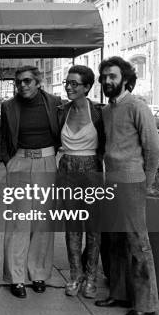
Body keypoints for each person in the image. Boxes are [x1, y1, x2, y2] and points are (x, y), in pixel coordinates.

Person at [94, 56, 159, 315]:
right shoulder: (108, 110)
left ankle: (146, 303)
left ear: (125, 78)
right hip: (112, 182)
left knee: (137, 244)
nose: (107, 81)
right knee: (114, 242)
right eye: (104, 77)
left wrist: (147, 183)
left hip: (133, 183)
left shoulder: (137, 106)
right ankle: (119, 294)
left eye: (112, 76)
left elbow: (153, 150)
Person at [0, 65, 62, 298]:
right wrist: (10, 162)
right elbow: (4, 140)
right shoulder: (8, 107)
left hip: (47, 162)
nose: (22, 85)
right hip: (20, 162)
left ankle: (38, 274)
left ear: (38, 83)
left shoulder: (55, 103)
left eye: (27, 81)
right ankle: (16, 278)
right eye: (19, 82)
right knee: (19, 223)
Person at [56, 65, 105, 298]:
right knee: (72, 228)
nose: (69, 87)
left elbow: (107, 145)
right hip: (66, 169)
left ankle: (91, 277)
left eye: (74, 83)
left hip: (92, 169)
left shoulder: (99, 113)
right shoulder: (61, 111)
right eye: (67, 82)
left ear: (87, 87)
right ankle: (75, 276)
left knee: (94, 230)